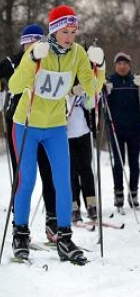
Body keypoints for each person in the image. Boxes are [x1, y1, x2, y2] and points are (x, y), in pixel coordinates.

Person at [8, 5, 105, 263]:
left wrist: (100, 66)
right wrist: (31, 60)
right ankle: (20, 233)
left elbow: (93, 95)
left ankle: (64, 236)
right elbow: (14, 85)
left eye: (74, 31)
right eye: (65, 31)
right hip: (26, 124)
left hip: (55, 127)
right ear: (54, 30)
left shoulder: (77, 54)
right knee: (26, 180)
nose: (70, 36)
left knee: (63, 181)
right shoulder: (37, 50)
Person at [0, 24, 59, 242]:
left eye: (37, 41)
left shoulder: (50, 61)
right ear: (23, 43)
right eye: (29, 41)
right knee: (23, 176)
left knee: (49, 173)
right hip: (18, 123)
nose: (32, 46)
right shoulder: (12, 61)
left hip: (43, 122)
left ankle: (52, 223)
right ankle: (19, 224)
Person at [106, 52, 140, 212]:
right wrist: (105, 91)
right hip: (116, 128)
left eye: (125, 63)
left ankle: (134, 195)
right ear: (115, 65)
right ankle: (118, 196)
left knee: (134, 163)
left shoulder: (135, 80)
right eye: (119, 63)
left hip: (134, 128)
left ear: (130, 65)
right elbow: (100, 103)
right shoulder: (110, 81)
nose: (122, 66)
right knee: (118, 163)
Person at [67, 83, 97, 223]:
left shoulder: (81, 78)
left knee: (86, 170)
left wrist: (92, 92)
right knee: (71, 171)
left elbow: (90, 104)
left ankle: (91, 204)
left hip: (82, 131)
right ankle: (74, 206)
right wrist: (71, 92)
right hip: (65, 133)